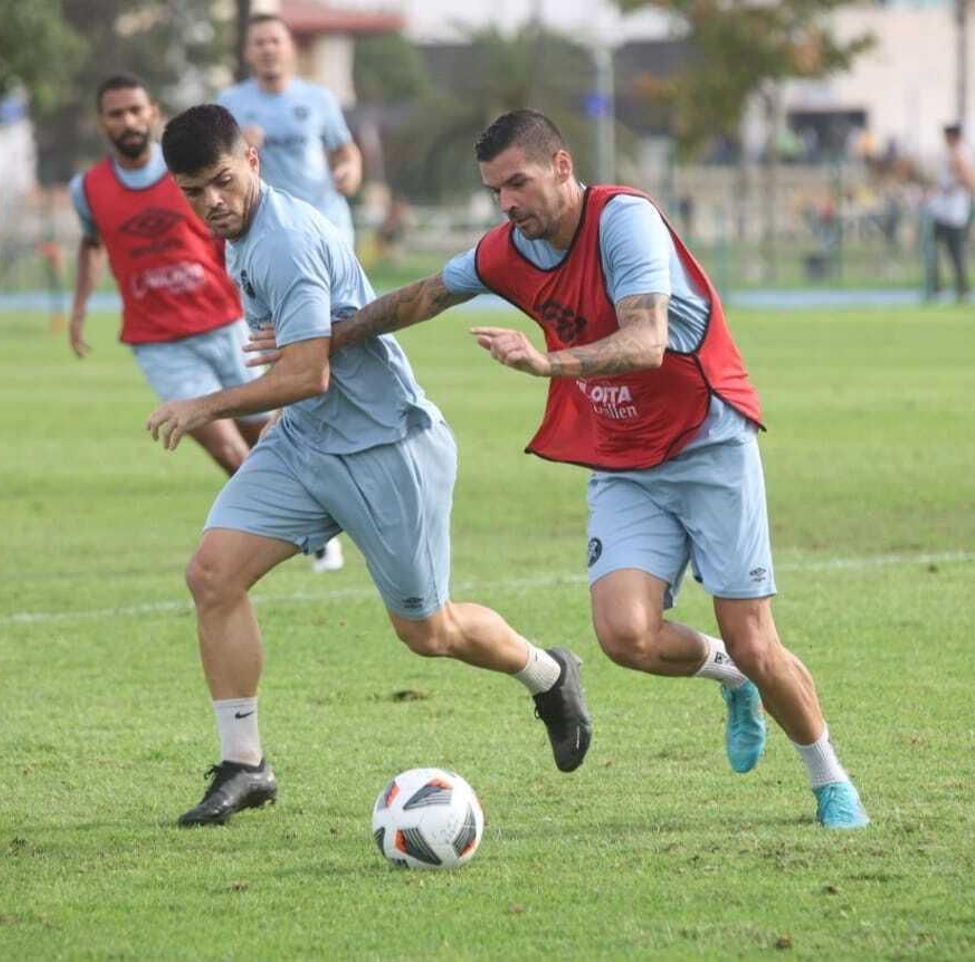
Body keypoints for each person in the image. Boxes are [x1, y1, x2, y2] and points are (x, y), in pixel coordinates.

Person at [252, 109, 870, 829]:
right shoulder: (506, 250)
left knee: (757, 640)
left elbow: (645, 342)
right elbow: (422, 296)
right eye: (494, 192)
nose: (508, 203)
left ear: (563, 167)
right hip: (623, 456)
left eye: (518, 183)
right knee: (625, 638)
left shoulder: (624, 222)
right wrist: (325, 339)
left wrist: (548, 363)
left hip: (707, 443)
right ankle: (726, 676)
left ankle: (830, 780)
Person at [149, 104, 592, 827]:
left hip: (388, 448)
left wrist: (204, 406)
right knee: (212, 574)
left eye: (223, 182)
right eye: (193, 192)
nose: (212, 203)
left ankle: (549, 674)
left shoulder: (284, 242)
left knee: (428, 633)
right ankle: (245, 764)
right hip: (308, 443)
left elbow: (306, 375)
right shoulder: (242, 231)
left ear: (252, 160)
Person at [68, 74, 343, 573]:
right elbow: (91, 245)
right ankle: (288, 530)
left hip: (224, 322)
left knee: (269, 434)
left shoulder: (201, 172)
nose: (127, 121)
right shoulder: (87, 190)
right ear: (101, 122)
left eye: (135, 109)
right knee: (222, 444)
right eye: (116, 113)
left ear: (151, 111)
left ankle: (312, 516)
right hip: (158, 341)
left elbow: (245, 236)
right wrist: (80, 308)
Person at [216, 14, 362, 248]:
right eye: (260, 43)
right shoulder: (230, 101)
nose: (268, 49)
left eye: (275, 41)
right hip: (269, 227)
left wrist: (350, 170)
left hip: (326, 220)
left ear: (290, 47)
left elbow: (344, 149)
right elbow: (216, 166)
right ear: (247, 52)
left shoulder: (319, 98)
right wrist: (238, 146)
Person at [925, 122, 974, 303]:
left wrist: (951, 186)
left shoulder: (960, 153)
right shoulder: (954, 153)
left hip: (952, 213)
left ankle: (960, 288)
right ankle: (940, 286)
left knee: (954, 252)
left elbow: (968, 180)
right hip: (945, 211)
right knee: (936, 248)